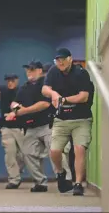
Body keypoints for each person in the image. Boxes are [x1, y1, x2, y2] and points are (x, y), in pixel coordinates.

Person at [5, 61, 73, 193]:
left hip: (48, 125)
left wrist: (22, 111)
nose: (29, 72)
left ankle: (65, 179)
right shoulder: (24, 87)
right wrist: (15, 109)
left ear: (40, 71)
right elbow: (14, 102)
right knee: (28, 153)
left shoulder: (46, 85)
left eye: (32, 70)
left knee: (56, 152)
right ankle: (40, 182)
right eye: (27, 70)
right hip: (30, 127)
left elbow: (44, 104)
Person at [42, 48, 94, 196]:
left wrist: (63, 100)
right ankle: (61, 172)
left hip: (81, 119)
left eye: (63, 59)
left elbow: (83, 96)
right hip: (61, 119)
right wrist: (53, 94)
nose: (60, 62)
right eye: (58, 60)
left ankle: (78, 183)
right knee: (55, 151)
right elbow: (44, 89)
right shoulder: (53, 71)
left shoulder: (81, 73)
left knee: (79, 149)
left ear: (70, 59)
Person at [0, 74, 25, 189]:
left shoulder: (22, 91)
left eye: (12, 81)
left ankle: (18, 173)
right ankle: (14, 179)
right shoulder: (3, 91)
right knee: (10, 153)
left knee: (23, 155)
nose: (10, 83)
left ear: (17, 81)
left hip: (21, 126)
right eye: (8, 81)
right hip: (6, 127)